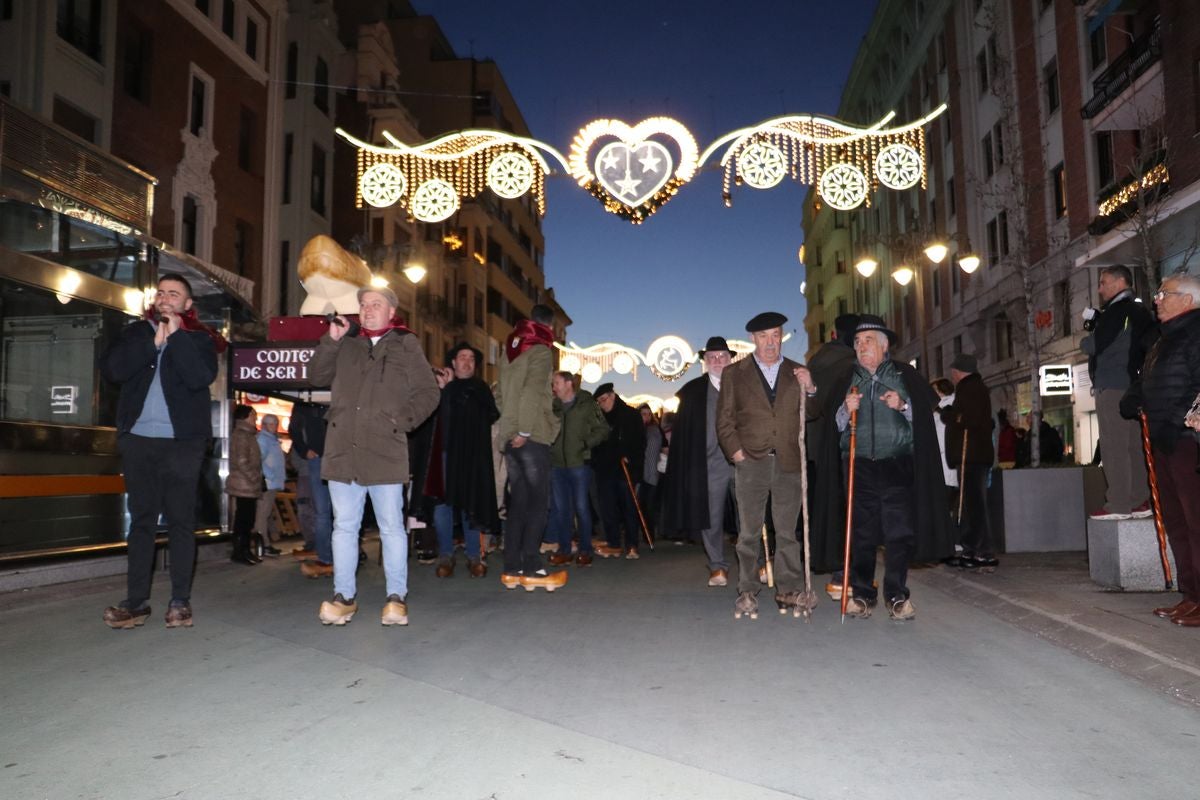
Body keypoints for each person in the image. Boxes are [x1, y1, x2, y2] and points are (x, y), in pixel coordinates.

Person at [308, 286, 440, 626]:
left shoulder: (405, 343)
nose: (367, 309)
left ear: (391, 312)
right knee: (344, 528)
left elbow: (428, 391)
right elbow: (316, 377)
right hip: (343, 449)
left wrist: (402, 422)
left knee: (392, 528)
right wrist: (331, 340)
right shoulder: (347, 343)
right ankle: (344, 597)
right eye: (363, 304)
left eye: (375, 304)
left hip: (385, 449)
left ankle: (396, 598)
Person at [100, 273, 221, 629]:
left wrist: (176, 336)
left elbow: (199, 378)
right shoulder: (136, 334)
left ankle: (179, 602)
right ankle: (135, 602)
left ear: (187, 305)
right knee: (141, 522)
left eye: (175, 294)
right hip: (138, 441)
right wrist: (152, 342)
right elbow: (113, 370)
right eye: (162, 292)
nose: (167, 298)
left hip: (182, 444)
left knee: (182, 522)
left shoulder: (200, 341)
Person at [812, 315, 952, 621]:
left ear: (885, 345)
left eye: (869, 341)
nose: (862, 348)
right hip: (858, 466)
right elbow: (832, 429)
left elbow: (925, 423)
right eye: (858, 342)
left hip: (897, 465)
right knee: (861, 533)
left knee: (898, 533)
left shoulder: (905, 376)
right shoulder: (845, 379)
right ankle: (862, 595)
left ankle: (897, 595)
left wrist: (903, 406)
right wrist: (844, 410)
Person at [716, 312, 816, 619]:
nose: (770, 342)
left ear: (782, 336)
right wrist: (736, 453)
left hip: (788, 461)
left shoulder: (797, 371)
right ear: (752, 339)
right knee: (748, 531)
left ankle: (788, 588)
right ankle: (747, 590)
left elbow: (813, 414)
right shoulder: (735, 373)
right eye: (763, 336)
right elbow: (724, 420)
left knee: (787, 531)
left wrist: (810, 388)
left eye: (775, 335)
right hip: (751, 462)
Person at [1121, 274, 1200, 626]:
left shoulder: (1196, 333)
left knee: (1197, 521)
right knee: (1178, 523)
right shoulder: (1162, 339)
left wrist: (1184, 417)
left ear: (1188, 300)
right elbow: (1147, 381)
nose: (1157, 299)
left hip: (1187, 441)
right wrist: (1134, 398)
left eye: (1164, 294)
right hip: (1164, 440)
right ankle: (1191, 595)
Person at [495, 303, 567, 590]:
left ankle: (512, 567)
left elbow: (499, 392)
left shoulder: (509, 350)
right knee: (539, 502)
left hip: (511, 434)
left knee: (519, 503)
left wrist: (510, 424)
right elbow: (534, 391)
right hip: (531, 434)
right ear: (548, 327)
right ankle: (533, 565)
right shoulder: (540, 351)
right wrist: (524, 428)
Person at [1082, 265, 1157, 520]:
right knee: (1134, 446)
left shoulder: (1116, 311)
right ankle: (1139, 500)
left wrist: (1093, 328)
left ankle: (1118, 504)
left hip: (1113, 385)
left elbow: (1092, 345)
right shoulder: (1140, 310)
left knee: (1114, 446)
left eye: (1103, 283)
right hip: (1134, 386)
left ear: (1118, 282)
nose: (1100, 289)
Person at [660, 336, 736, 586]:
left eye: (722, 357)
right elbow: (684, 434)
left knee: (749, 516)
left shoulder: (744, 386)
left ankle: (755, 563)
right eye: (712, 358)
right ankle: (717, 566)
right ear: (704, 362)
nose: (717, 361)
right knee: (710, 517)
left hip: (743, 461)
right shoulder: (693, 392)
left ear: (730, 359)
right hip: (710, 464)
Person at [424, 342, 500, 579]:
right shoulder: (442, 388)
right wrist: (446, 390)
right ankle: (445, 554)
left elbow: (488, 416)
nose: (467, 361)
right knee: (442, 506)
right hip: (446, 455)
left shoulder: (481, 388)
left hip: (473, 457)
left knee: (472, 505)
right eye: (462, 357)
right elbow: (436, 419)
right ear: (454, 363)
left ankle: (474, 556)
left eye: (471, 358)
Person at [943, 353, 999, 570]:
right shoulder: (974, 387)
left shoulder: (970, 389)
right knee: (974, 503)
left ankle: (976, 549)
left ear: (958, 372)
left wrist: (950, 416)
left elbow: (969, 419)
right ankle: (980, 549)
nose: (952, 376)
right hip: (974, 455)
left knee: (972, 504)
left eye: (953, 372)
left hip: (970, 455)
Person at [547, 371, 609, 567]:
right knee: (561, 509)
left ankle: (585, 550)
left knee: (582, 508)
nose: (553, 387)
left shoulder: (587, 404)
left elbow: (603, 429)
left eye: (556, 383)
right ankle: (564, 550)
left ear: (568, 384)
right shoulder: (553, 406)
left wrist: (585, 444)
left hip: (579, 464)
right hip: (557, 465)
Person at [592, 383, 647, 559]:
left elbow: (640, 442)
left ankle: (632, 545)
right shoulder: (599, 418)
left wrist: (630, 457)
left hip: (625, 470)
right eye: (599, 402)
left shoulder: (631, 415)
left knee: (629, 508)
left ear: (612, 396)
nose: (602, 404)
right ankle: (613, 543)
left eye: (603, 400)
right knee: (608, 508)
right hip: (605, 470)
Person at [291, 401, 334, 578]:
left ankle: (341, 555)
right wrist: (304, 450)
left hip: (339, 456)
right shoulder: (305, 399)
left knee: (341, 511)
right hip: (318, 457)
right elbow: (294, 427)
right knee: (322, 510)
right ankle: (326, 557)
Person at [225, 404, 264, 566]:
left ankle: (244, 550)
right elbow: (242, 461)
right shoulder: (242, 435)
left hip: (246, 484)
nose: (255, 418)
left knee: (247, 519)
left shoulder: (247, 434)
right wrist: (255, 477)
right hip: (244, 484)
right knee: (244, 519)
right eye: (253, 415)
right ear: (246, 416)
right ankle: (240, 551)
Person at [931, 378, 960, 541]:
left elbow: (941, 439)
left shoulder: (944, 410)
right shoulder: (941, 409)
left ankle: (948, 539)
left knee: (945, 506)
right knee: (947, 506)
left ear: (941, 391)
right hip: (946, 467)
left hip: (945, 466)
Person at [255, 413, 286, 557]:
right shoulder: (264, 440)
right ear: (264, 425)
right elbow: (259, 460)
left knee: (265, 513)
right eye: (271, 423)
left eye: (275, 423)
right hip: (268, 483)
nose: (274, 426)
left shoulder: (272, 439)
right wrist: (270, 475)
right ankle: (263, 545)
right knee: (262, 514)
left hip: (272, 483)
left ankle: (264, 542)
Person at [637, 404, 665, 538]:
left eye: (649, 414)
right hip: (639, 473)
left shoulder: (655, 430)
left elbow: (660, 449)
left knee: (649, 504)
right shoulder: (637, 430)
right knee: (641, 504)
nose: (647, 416)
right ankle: (646, 533)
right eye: (643, 414)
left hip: (651, 472)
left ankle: (650, 534)